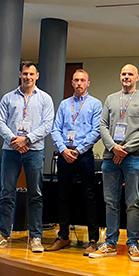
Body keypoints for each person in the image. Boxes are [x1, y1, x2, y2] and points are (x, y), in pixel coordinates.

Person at [0, 61, 54, 253]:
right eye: (25, 74)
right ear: (20, 75)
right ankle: (2, 234)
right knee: (7, 193)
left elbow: (48, 124)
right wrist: (14, 140)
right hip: (11, 150)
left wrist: (27, 139)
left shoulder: (45, 99)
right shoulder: (8, 98)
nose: (28, 77)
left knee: (36, 195)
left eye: (31, 74)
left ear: (37, 76)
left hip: (34, 150)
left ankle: (36, 237)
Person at [89, 64, 139, 261]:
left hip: (133, 158)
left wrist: (125, 149)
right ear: (120, 76)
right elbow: (102, 125)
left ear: (137, 77)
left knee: (133, 203)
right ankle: (110, 244)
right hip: (111, 158)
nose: (126, 77)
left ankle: (133, 244)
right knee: (110, 202)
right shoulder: (110, 99)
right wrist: (113, 147)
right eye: (124, 74)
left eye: (130, 74)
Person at [48, 69, 102, 256]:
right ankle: (63, 236)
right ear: (72, 82)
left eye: (82, 80)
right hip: (65, 155)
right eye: (76, 80)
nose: (79, 83)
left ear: (88, 83)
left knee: (90, 196)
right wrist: (63, 149)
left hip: (84, 155)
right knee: (63, 196)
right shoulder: (64, 104)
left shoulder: (95, 104)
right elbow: (55, 129)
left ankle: (93, 240)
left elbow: (96, 131)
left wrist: (78, 150)